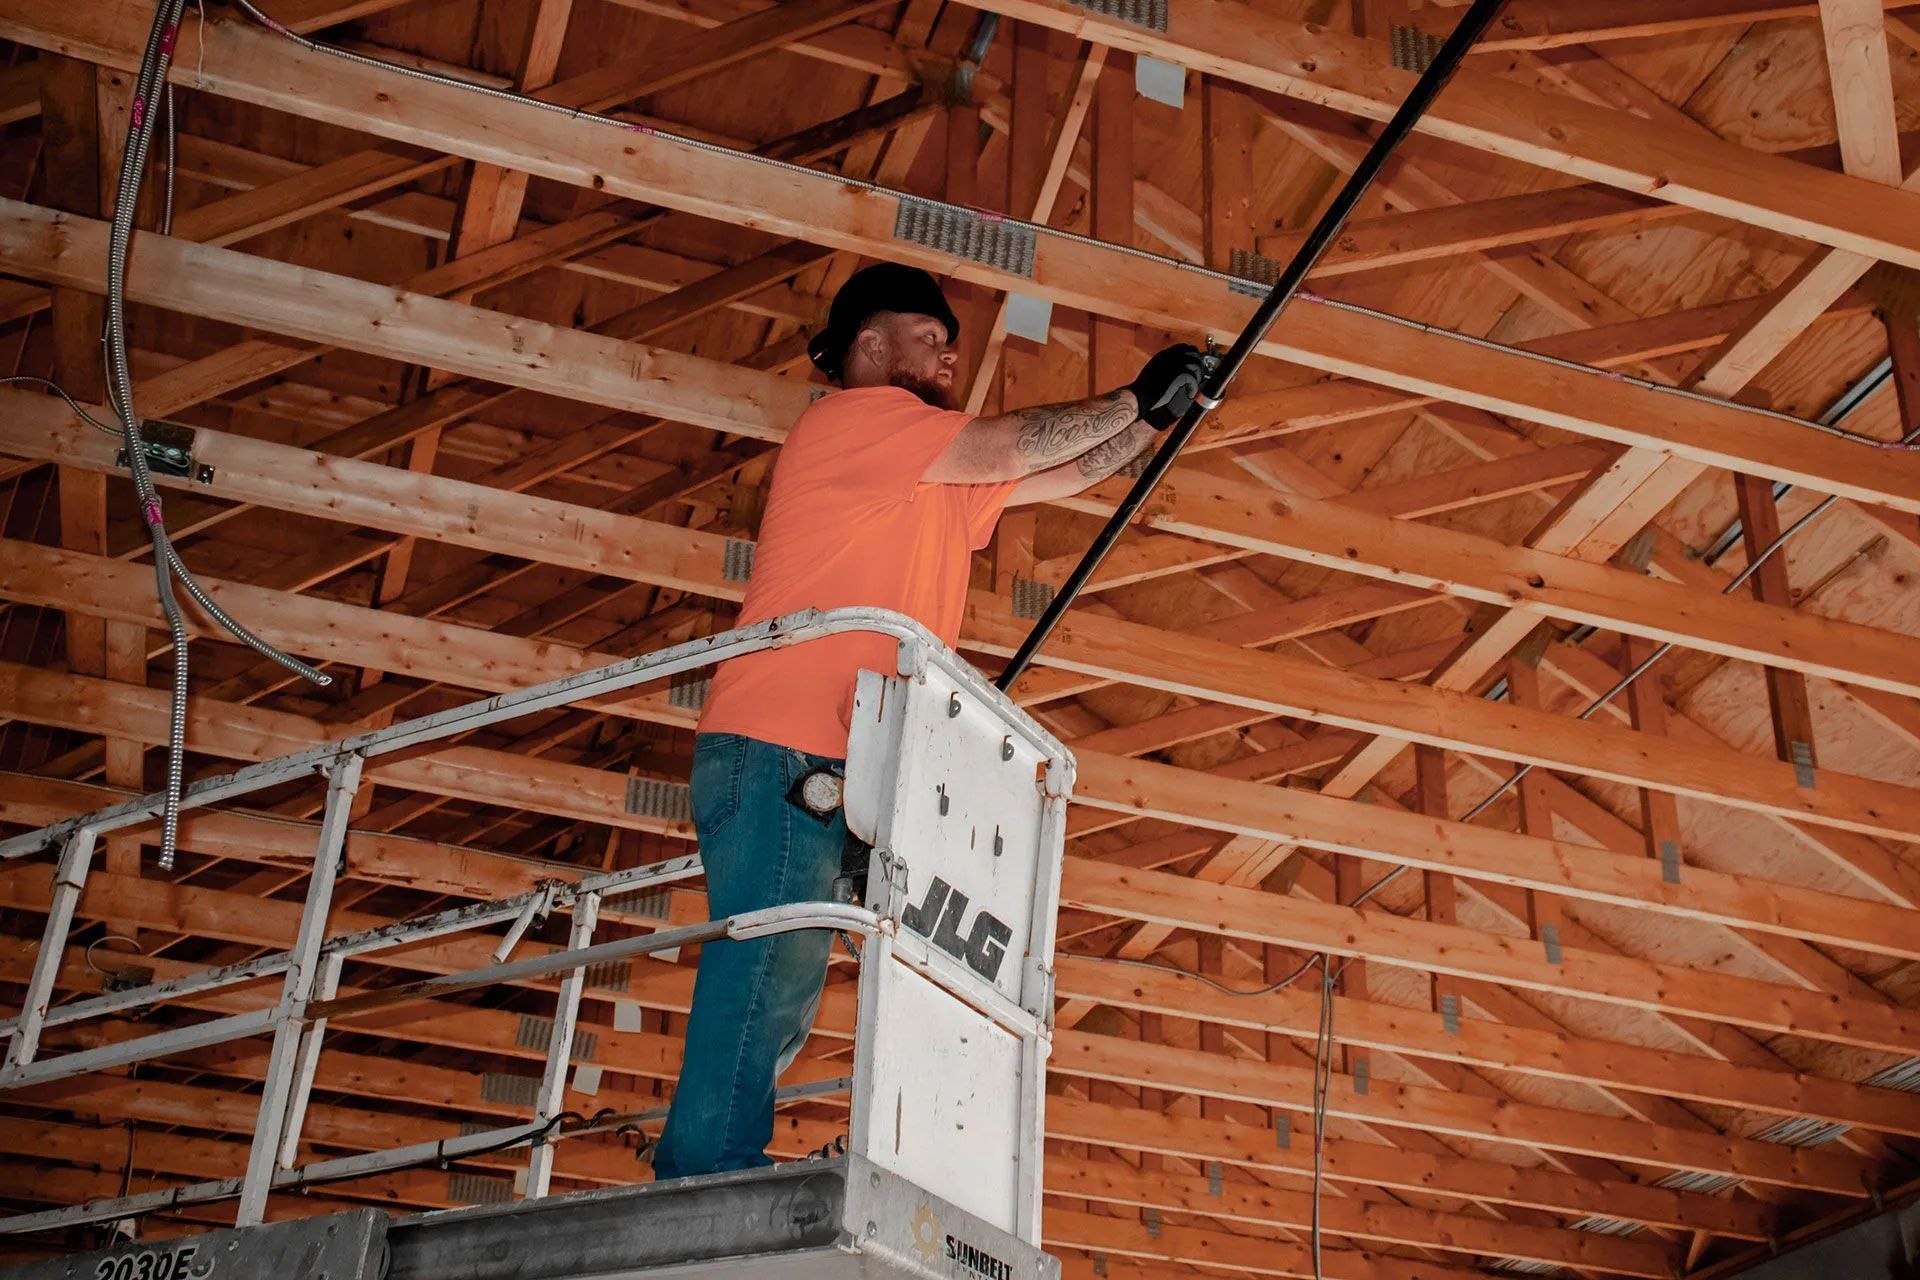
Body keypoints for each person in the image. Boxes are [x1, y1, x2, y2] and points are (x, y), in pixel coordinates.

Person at [650, 262, 1206, 1179]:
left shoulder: (926, 468)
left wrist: (1152, 418)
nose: (950, 356)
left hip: (825, 757)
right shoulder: (854, 422)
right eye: (931, 337)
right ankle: (701, 1179)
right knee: (768, 977)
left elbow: (1059, 472)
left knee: (781, 982)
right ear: (869, 346)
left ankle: (713, 1168)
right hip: (789, 744)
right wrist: (1135, 396)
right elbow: (1016, 446)